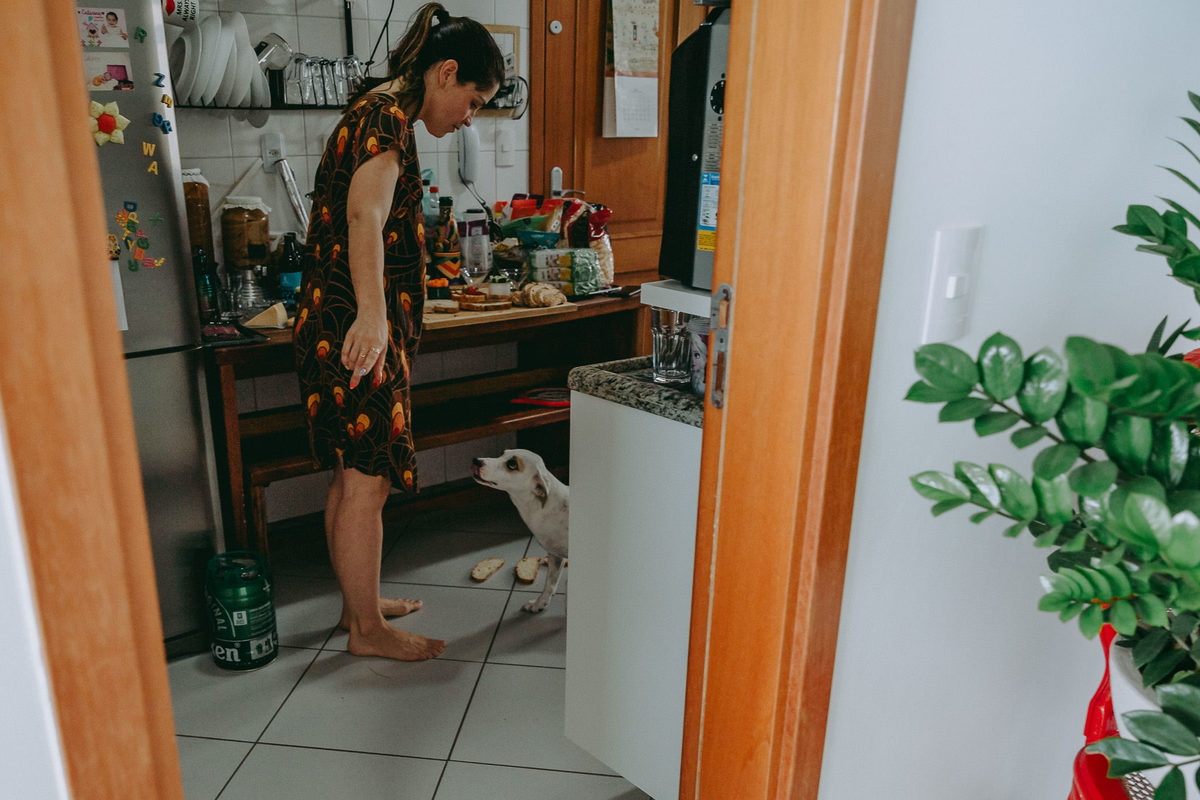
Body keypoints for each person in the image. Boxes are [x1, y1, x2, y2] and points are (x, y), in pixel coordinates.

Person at [293, 2, 503, 661]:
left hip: (334, 323)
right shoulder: (386, 118)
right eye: (473, 100)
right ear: (446, 74)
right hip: (352, 329)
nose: (469, 116)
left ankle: (360, 604)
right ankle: (367, 632)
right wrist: (374, 314)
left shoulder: (379, 111)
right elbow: (364, 216)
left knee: (352, 474)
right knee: (367, 482)